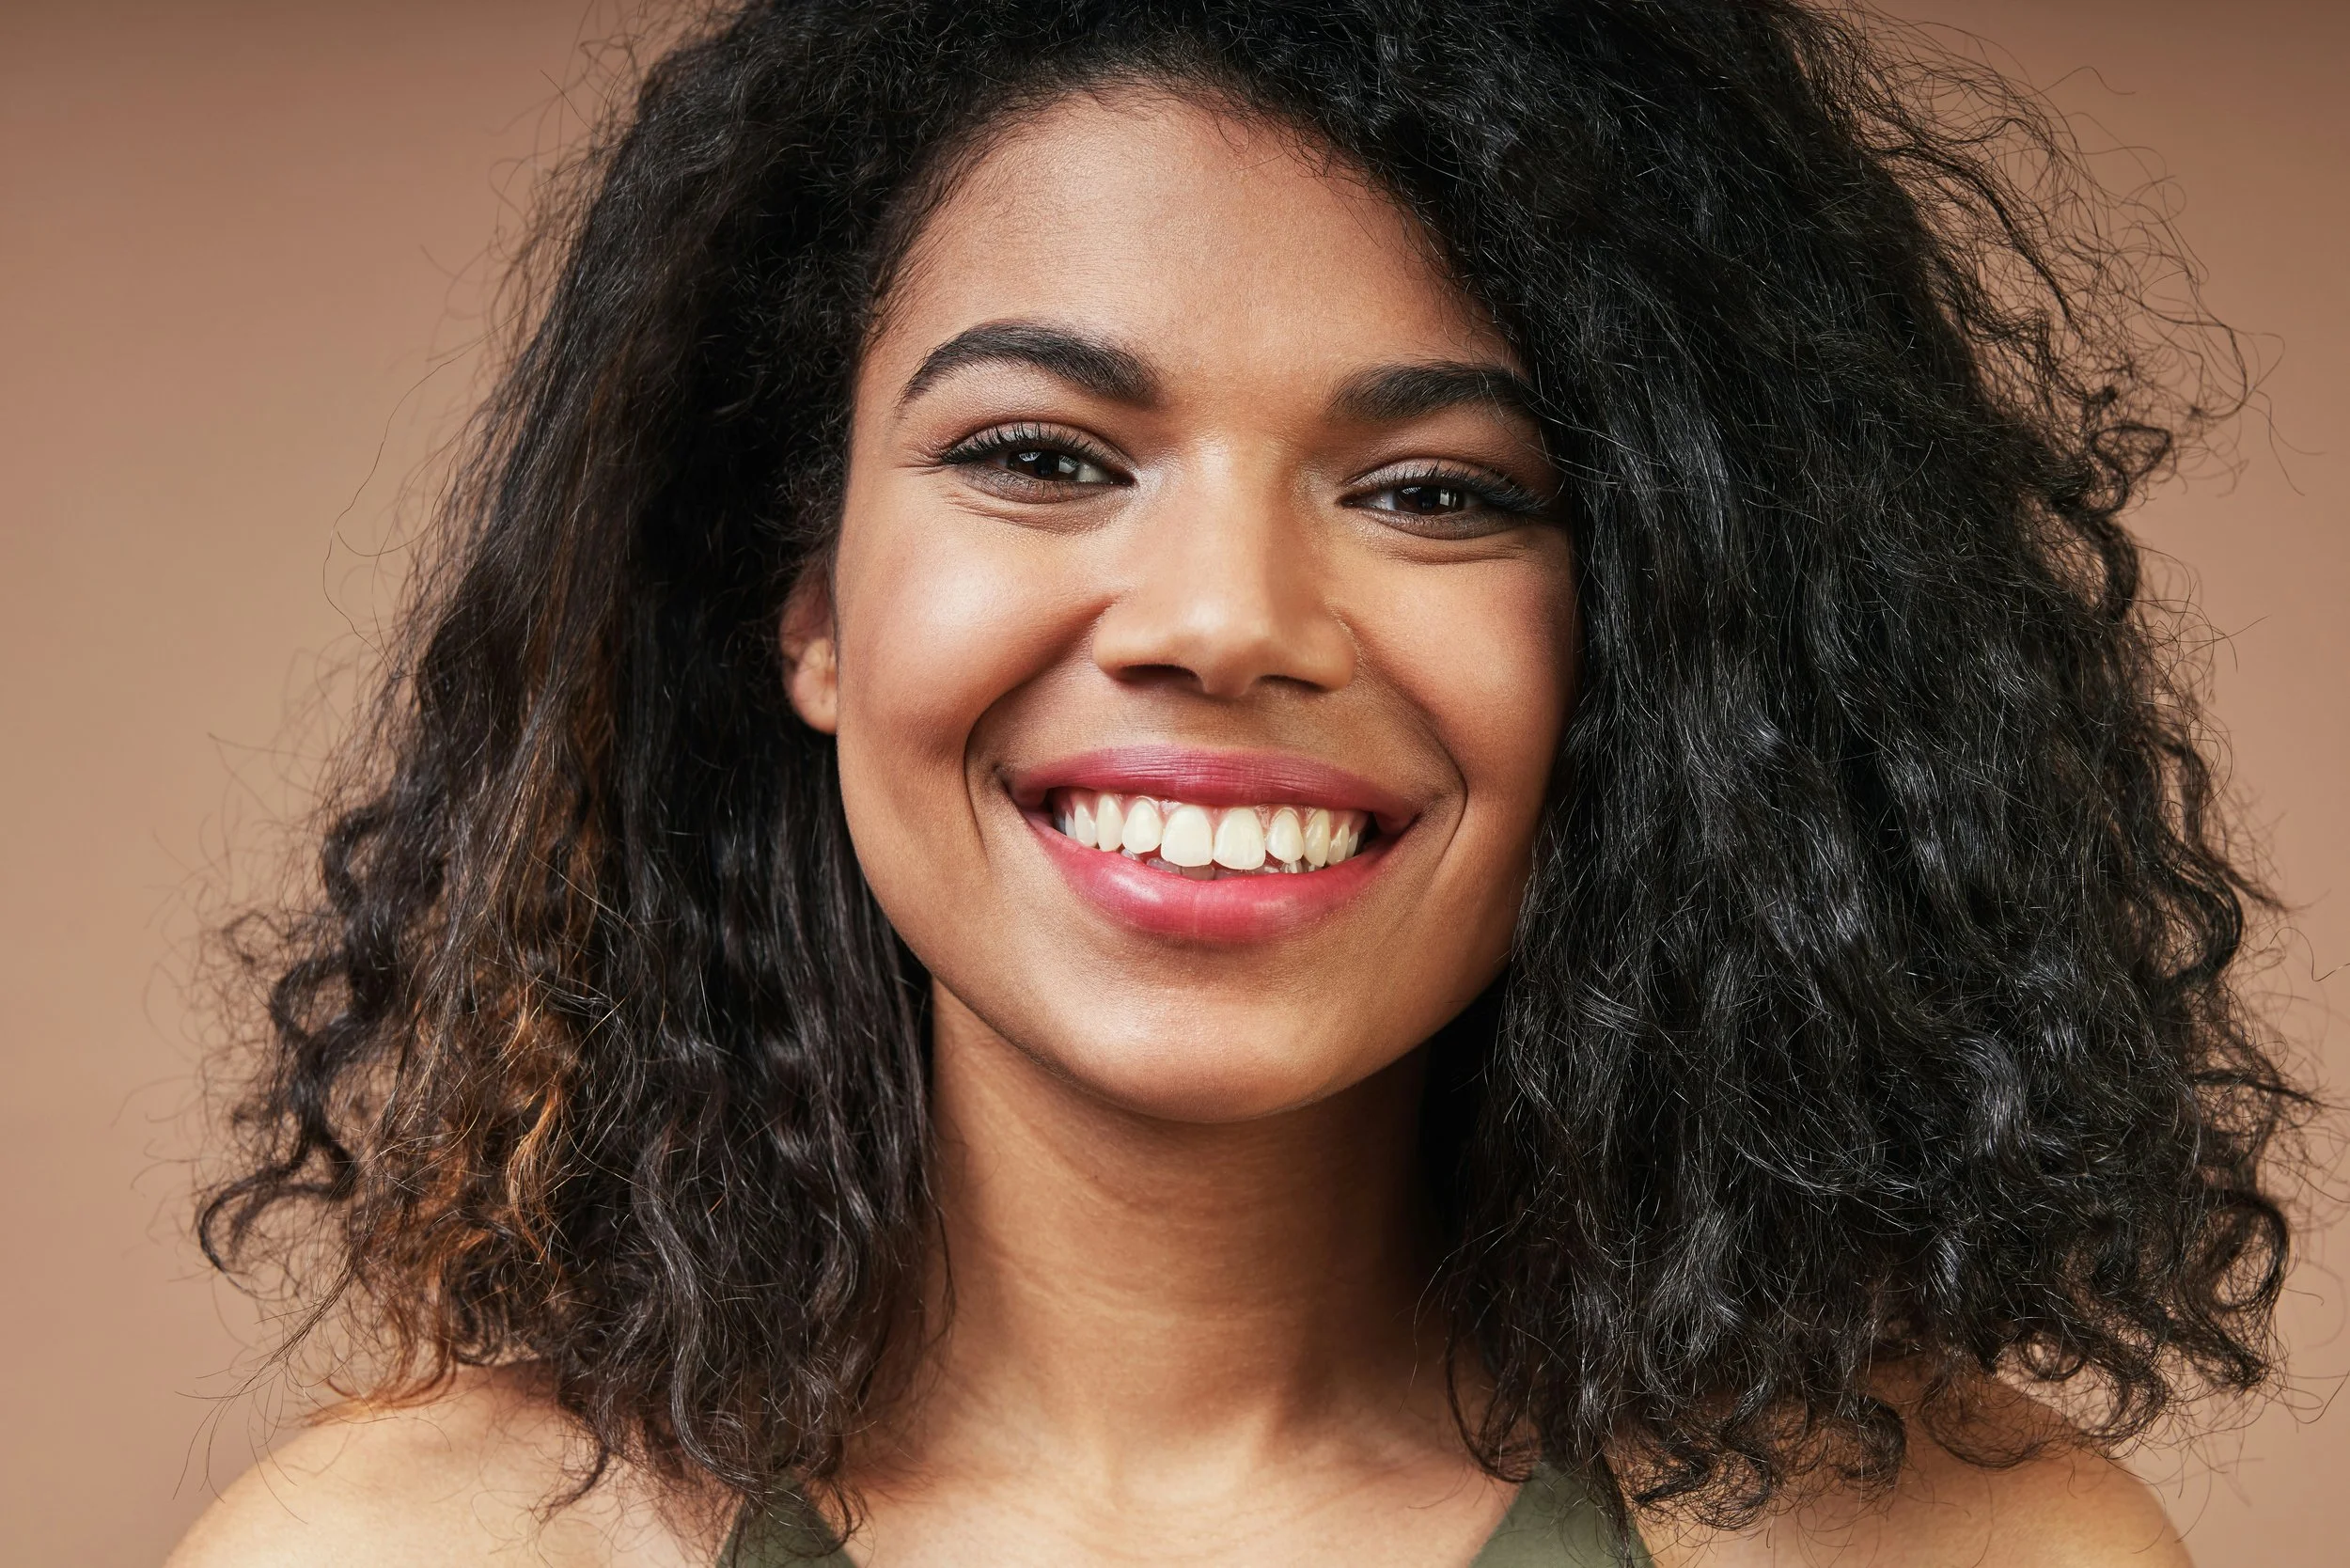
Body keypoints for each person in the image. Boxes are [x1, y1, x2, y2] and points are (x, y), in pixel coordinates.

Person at [169, 1, 2300, 1563]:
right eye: (1037, 455)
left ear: (1648, 646)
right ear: (798, 603)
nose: (1222, 617)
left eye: (1435, 490)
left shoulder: (1963, 1559)